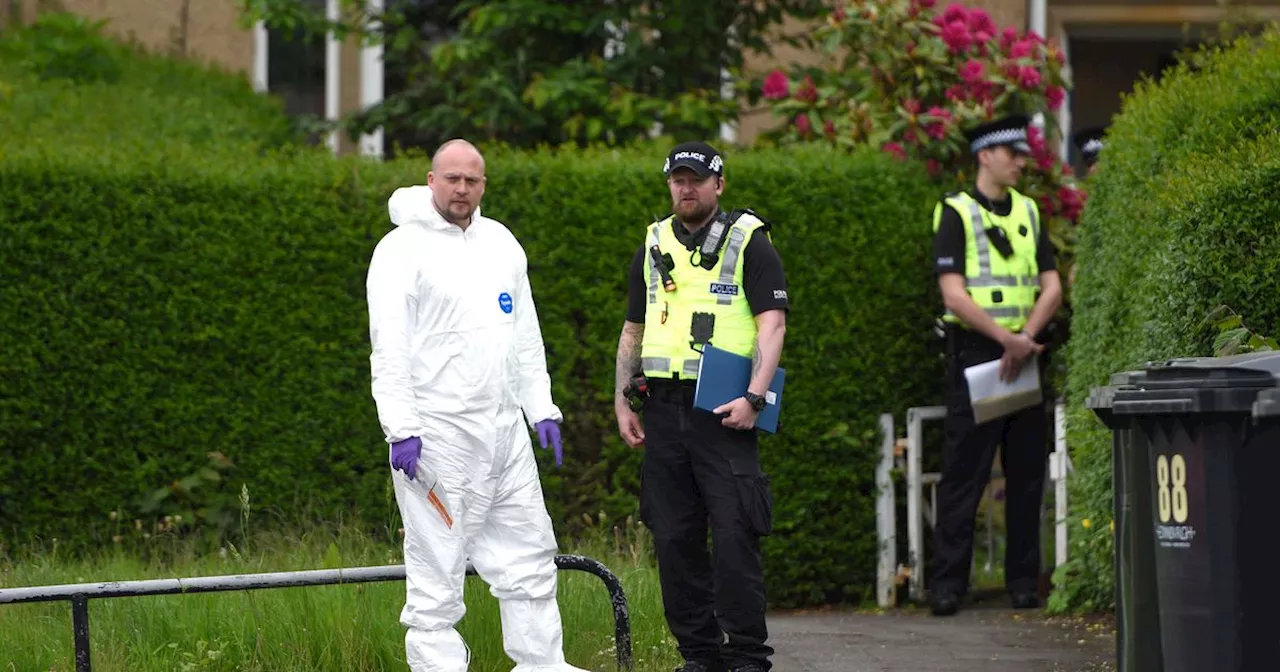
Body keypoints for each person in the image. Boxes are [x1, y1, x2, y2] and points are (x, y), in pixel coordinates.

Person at [366, 138, 589, 672]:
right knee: (436, 571)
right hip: (438, 438)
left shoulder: (501, 244)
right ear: (431, 180)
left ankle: (543, 665)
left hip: (504, 432)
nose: (461, 188)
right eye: (452, 178)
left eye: (472, 179)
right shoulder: (400, 251)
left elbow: (525, 336)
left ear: (483, 184)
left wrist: (541, 408)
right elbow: (388, 346)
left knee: (530, 555)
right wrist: (401, 428)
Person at [613, 142, 789, 672]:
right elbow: (633, 328)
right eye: (677, 179)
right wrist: (624, 401)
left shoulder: (748, 241)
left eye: (696, 179)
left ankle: (749, 655)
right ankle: (699, 654)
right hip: (663, 409)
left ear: (719, 183)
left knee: (736, 532)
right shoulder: (654, 240)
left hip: (723, 408)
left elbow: (773, 325)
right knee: (673, 537)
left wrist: (755, 397)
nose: (685, 188)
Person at [928, 114, 1064, 617]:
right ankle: (947, 585)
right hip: (978, 357)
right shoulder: (956, 213)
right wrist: (1006, 338)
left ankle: (1024, 583)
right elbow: (952, 293)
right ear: (985, 155)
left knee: (1027, 475)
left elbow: (1052, 285)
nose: (1021, 163)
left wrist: (1024, 338)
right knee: (965, 475)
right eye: (1013, 154)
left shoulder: (1029, 211)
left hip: (1024, 355)